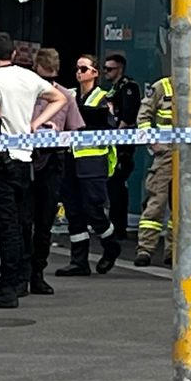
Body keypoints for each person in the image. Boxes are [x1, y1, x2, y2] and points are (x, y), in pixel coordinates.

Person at [0, 34, 68, 309]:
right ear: (13, 54)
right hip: (24, 161)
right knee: (22, 224)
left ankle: (8, 287)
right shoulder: (27, 77)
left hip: (1, 161)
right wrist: (35, 124)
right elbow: (60, 98)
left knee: (7, 227)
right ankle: (17, 280)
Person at [133, 74, 191, 267]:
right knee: (155, 203)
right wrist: (152, 142)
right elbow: (144, 116)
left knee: (184, 206)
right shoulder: (161, 86)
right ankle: (145, 249)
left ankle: (174, 250)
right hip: (166, 153)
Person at [56, 55, 123, 277]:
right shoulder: (70, 97)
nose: (79, 72)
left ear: (95, 73)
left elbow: (111, 129)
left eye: (84, 68)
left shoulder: (104, 99)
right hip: (71, 161)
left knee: (94, 211)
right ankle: (79, 261)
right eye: (77, 68)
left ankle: (111, 246)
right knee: (74, 212)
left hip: (93, 163)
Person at [25, 48, 83, 294]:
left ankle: (36, 273)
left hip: (51, 161)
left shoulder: (65, 96)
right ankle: (21, 273)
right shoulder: (26, 91)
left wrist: (56, 132)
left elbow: (76, 129)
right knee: (23, 221)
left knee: (44, 221)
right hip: (26, 158)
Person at [104, 54, 141, 240]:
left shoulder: (128, 87)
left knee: (118, 185)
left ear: (119, 69)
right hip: (113, 143)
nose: (106, 72)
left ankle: (120, 227)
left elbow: (127, 118)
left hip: (122, 144)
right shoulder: (113, 88)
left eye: (110, 69)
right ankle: (114, 224)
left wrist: (116, 138)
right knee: (112, 185)